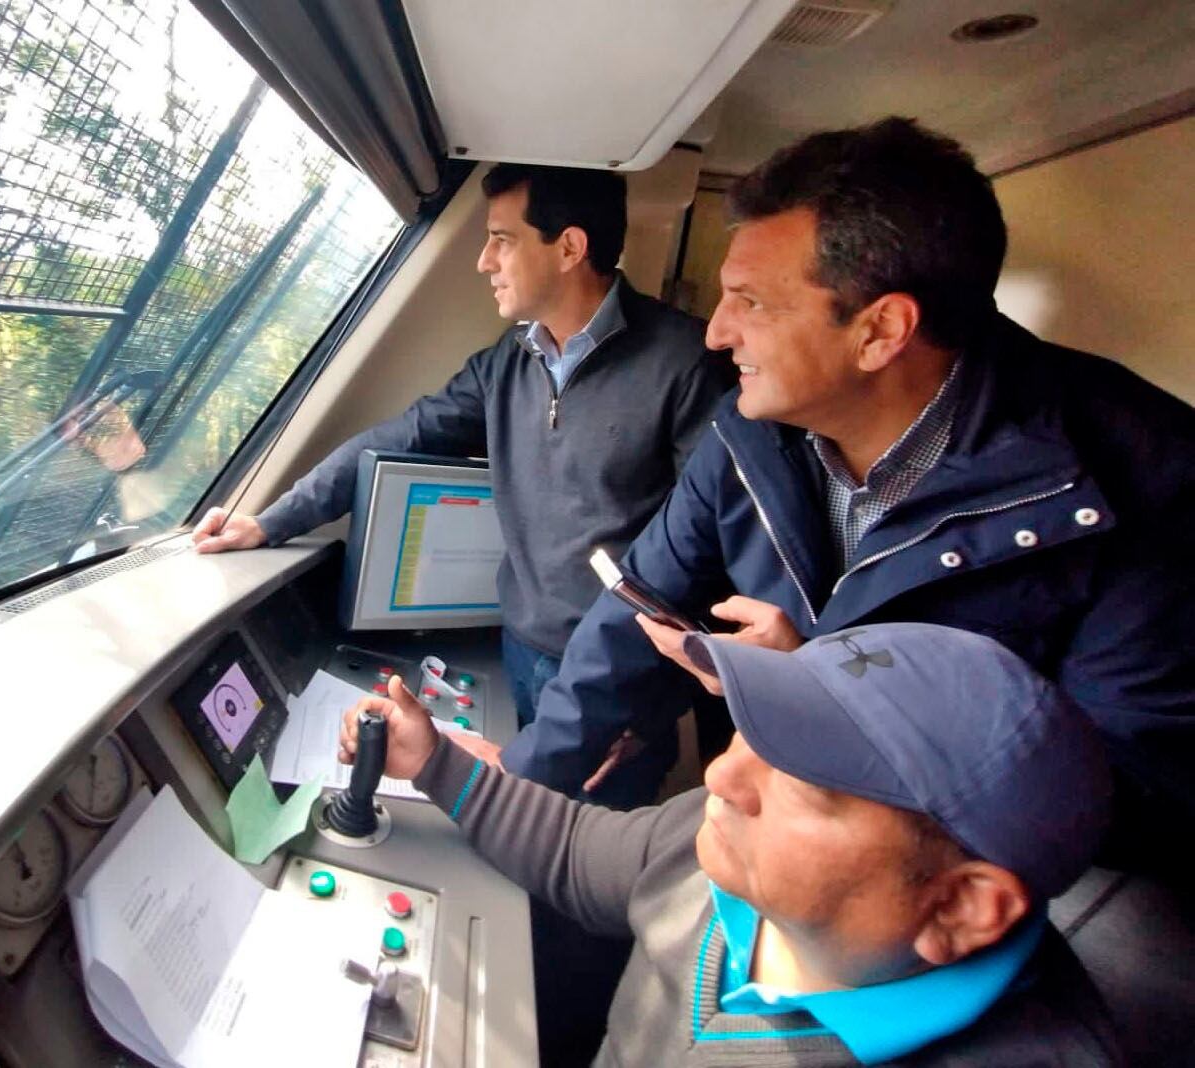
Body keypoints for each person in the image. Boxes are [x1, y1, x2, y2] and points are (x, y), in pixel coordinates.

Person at [465, 118, 1194, 868]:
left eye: (750, 302)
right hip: (795, 841)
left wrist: (826, 694)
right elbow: (639, 604)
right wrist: (517, 783)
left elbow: (1126, 802)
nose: (716, 334)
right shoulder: (750, 431)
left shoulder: (1143, 483)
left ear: (880, 332)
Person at [341, 623, 1124, 1066]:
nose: (722, 774)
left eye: (808, 780)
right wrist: (434, 761)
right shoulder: (718, 848)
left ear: (959, 906)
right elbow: (583, 852)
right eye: (756, 732)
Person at [191, 163, 732, 745]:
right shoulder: (509, 362)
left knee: (580, 829)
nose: (484, 261)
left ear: (569, 247)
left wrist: (647, 692)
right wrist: (272, 521)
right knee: (517, 814)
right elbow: (399, 437)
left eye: (502, 240)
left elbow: (710, 547)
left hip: (618, 670)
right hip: (521, 646)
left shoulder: (686, 363)